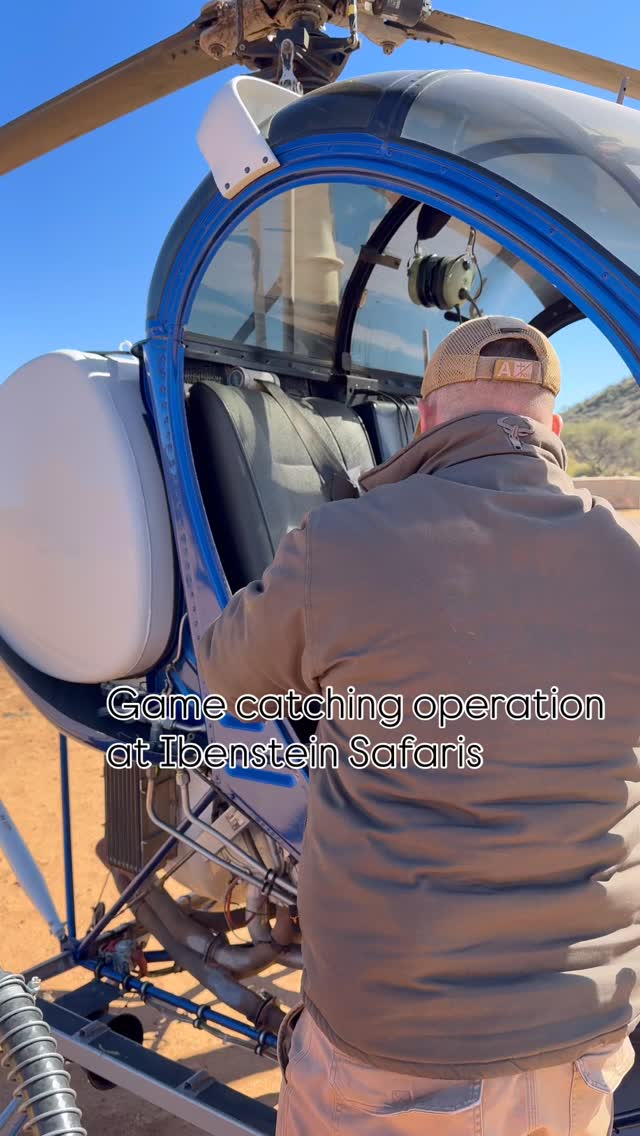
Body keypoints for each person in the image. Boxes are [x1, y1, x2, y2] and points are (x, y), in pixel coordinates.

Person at [197, 315, 640, 1135]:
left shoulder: (340, 543)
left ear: (426, 420)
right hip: (589, 1034)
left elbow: (228, 675)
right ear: (554, 425)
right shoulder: (628, 556)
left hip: (399, 1044)